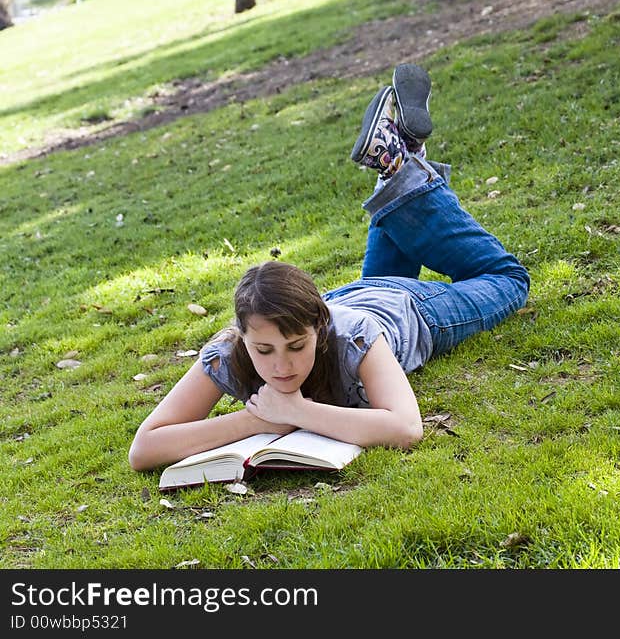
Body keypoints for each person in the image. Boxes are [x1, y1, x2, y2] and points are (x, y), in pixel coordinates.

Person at [128, 63, 530, 472]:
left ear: (319, 329)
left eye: (297, 347)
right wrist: (255, 419)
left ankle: (399, 164)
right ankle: (404, 154)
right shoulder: (229, 353)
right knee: (394, 239)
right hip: (357, 293)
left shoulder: (354, 337)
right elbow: (144, 449)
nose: (280, 367)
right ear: (242, 336)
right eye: (263, 350)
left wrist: (297, 413)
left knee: (510, 279)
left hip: (410, 309)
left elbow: (406, 427)